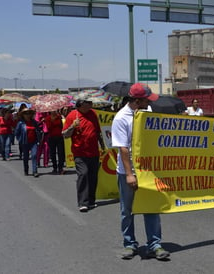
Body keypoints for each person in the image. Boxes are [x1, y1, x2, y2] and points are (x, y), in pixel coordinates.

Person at [111, 83, 170, 260]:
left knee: (151, 208)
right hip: (128, 172)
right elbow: (123, 149)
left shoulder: (148, 112)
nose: (148, 103)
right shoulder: (121, 118)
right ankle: (130, 244)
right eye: (146, 100)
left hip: (148, 171)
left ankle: (155, 244)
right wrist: (130, 174)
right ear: (137, 101)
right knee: (127, 210)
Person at [62, 95, 105, 212]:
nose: (90, 104)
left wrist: (102, 145)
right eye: (88, 102)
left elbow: (98, 131)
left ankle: (91, 200)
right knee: (83, 174)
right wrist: (73, 126)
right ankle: (83, 202)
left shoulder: (93, 114)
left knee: (93, 177)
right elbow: (65, 134)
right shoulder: (72, 116)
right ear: (81, 104)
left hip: (94, 151)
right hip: (79, 152)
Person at [15, 108, 42, 177]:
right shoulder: (20, 123)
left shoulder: (34, 122)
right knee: (26, 157)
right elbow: (17, 133)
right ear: (23, 115)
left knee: (34, 155)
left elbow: (38, 130)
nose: (27, 115)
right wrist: (20, 140)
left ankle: (35, 171)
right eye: (26, 113)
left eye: (29, 113)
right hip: (25, 142)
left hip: (34, 142)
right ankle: (26, 170)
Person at [46, 110, 65, 174]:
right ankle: (54, 167)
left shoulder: (59, 117)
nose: (54, 112)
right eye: (53, 111)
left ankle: (60, 168)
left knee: (61, 153)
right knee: (52, 153)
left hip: (59, 137)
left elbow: (62, 126)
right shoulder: (48, 118)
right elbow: (48, 128)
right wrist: (52, 120)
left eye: (55, 110)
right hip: (51, 137)